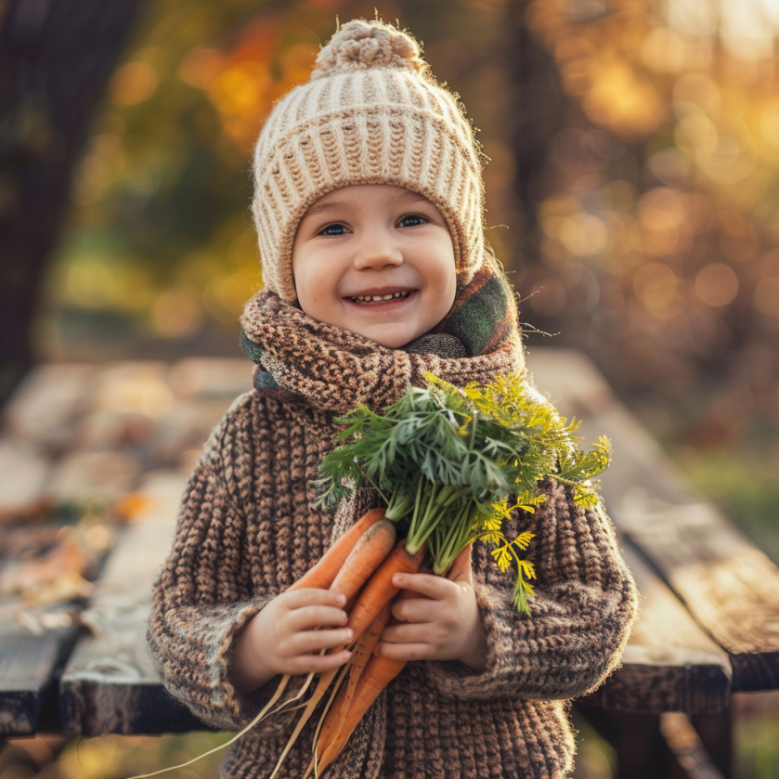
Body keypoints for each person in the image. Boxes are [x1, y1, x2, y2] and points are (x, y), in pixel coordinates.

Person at [147, 17, 640, 779]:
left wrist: (483, 629)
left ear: (459, 243)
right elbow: (177, 613)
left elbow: (600, 609)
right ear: (285, 266)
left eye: (411, 218)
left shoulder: (514, 428)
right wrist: (248, 644)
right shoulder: (255, 432)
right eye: (332, 227)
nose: (377, 250)